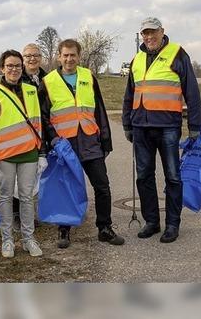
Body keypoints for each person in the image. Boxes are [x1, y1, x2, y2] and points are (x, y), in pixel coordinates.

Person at [122, 16, 201, 243]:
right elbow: (130, 94)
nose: (149, 37)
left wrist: (195, 125)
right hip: (141, 127)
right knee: (144, 176)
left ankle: (173, 224)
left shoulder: (178, 54)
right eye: (145, 33)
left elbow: (192, 91)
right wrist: (127, 123)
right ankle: (151, 221)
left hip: (167, 125)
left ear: (162, 32)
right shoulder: (136, 59)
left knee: (173, 176)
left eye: (152, 32)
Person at [38, 39, 124, 249]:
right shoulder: (48, 82)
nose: (69, 59)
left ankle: (104, 228)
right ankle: (64, 230)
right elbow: (42, 116)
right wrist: (53, 139)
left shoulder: (88, 77)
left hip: (90, 141)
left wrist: (106, 140)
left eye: (73, 55)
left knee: (102, 186)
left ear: (79, 56)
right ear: (59, 56)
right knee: (66, 188)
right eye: (65, 55)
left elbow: (99, 110)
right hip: (64, 145)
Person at [0, 50, 47, 258]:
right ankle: (8, 240)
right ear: (2, 68)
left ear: (23, 67)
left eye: (18, 65)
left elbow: (39, 123)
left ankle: (29, 239)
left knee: (27, 198)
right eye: (9, 65)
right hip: (5, 156)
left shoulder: (31, 90)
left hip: (29, 154)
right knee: (6, 197)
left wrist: (42, 153)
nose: (14, 69)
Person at [11, 43, 48, 226]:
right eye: (28, 56)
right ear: (23, 59)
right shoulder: (17, 79)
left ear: (41, 58)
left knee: (37, 175)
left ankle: (37, 211)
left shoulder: (48, 79)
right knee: (20, 177)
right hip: (23, 133)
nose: (32, 59)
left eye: (35, 55)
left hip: (44, 129)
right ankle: (17, 215)